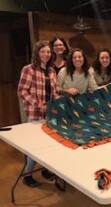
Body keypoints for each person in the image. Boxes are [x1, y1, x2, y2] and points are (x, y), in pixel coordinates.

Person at [18, 40, 59, 187]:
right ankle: (27, 174)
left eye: (48, 52)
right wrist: (37, 104)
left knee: (48, 144)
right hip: (35, 114)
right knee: (34, 145)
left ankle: (46, 170)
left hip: (50, 114)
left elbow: (53, 93)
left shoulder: (52, 71)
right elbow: (21, 91)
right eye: (43, 51)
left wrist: (58, 103)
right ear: (37, 53)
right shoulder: (29, 69)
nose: (46, 54)